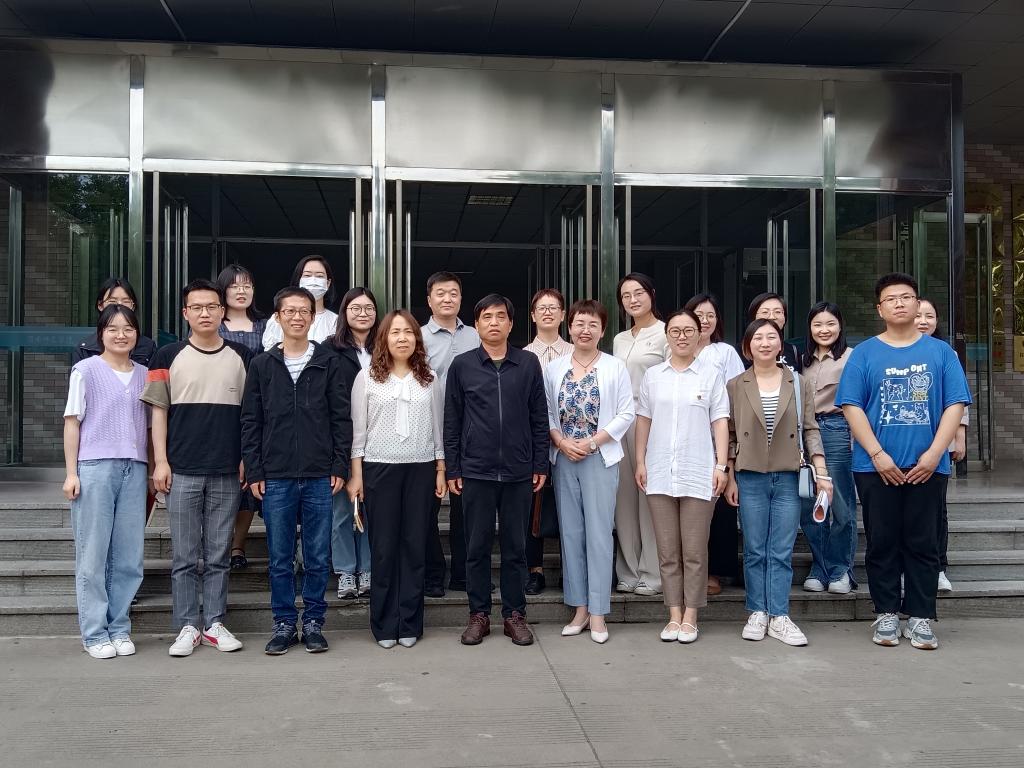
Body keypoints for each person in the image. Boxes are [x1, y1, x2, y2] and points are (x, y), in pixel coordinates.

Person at [837, 274, 970, 650]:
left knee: (923, 542)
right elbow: (851, 407)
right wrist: (877, 455)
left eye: (906, 297)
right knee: (882, 541)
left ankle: (921, 617)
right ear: (879, 309)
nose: (899, 303)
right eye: (891, 298)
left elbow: (955, 404)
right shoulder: (864, 354)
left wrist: (934, 453)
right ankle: (886, 613)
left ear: (917, 304)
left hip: (928, 466)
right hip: (874, 468)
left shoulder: (941, 353)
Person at [142, 279, 251, 657]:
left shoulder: (242, 356)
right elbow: (158, 413)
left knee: (219, 553)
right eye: (197, 307)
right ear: (185, 313)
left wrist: (246, 458)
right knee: (185, 556)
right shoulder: (166, 356)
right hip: (182, 469)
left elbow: (250, 416)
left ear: (223, 312)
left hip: (226, 470)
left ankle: (215, 622)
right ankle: (188, 625)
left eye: (212, 306)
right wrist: (160, 461)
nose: (205, 313)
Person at [241, 287, 351, 655]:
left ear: (312, 317)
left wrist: (339, 464)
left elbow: (341, 418)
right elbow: (251, 421)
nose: (297, 317)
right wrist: (255, 470)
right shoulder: (262, 364)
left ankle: (315, 621)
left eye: (304, 311)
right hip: (276, 475)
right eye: (289, 311)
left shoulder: (328, 362)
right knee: (280, 557)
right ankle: (285, 623)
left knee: (318, 556)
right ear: (278, 317)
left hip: (320, 474)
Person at [445, 294, 548, 647]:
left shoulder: (528, 363)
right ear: (476, 324)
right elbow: (452, 420)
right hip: (476, 471)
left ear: (511, 323)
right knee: (476, 547)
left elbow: (539, 417)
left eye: (500, 316)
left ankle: (514, 614)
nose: (493, 322)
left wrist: (539, 462)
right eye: (486, 316)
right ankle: (479, 615)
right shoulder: (462, 365)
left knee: (516, 548)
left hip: (519, 471)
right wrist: (454, 467)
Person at [726, 318, 830, 647]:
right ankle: (757, 611)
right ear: (748, 346)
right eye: (758, 337)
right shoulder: (735, 385)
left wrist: (822, 471)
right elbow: (730, 435)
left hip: (788, 474)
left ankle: (780, 615)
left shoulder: (798, 383)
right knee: (755, 549)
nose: (765, 343)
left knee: (781, 550)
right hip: (750, 475)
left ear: (780, 344)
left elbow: (810, 428)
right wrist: (729, 476)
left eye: (771, 337)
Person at [347, 311, 445, 649]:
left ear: (417, 338)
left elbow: (438, 427)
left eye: (408, 332)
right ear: (384, 339)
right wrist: (356, 476)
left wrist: (441, 468)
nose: (402, 338)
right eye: (395, 332)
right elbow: (358, 432)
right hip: (379, 468)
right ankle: (385, 624)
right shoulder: (367, 377)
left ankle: (410, 622)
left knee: (415, 546)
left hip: (421, 468)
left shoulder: (429, 378)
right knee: (384, 548)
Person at [636, 309, 730, 644]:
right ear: (667, 336)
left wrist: (721, 465)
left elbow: (720, 420)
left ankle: (691, 615)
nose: (681, 336)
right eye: (675, 330)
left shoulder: (710, 374)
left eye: (688, 330)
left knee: (694, 550)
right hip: (659, 470)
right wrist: (640, 461)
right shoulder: (654, 376)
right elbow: (644, 420)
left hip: (698, 471)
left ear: (698, 333)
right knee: (667, 551)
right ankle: (673, 614)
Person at [544, 300, 634, 644]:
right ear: (570, 327)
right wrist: (561, 442)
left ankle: (598, 612)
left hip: (599, 457)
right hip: (565, 457)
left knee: (598, 533)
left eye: (592, 324)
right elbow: (546, 412)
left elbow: (626, 413)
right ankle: (579, 608)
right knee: (571, 534)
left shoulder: (614, 367)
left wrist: (594, 442)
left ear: (602, 330)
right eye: (579, 323)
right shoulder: (554, 368)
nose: (585, 330)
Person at [63, 305, 149, 658]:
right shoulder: (85, 370)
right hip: (95, 467)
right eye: (112, 328)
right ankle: (94, 633)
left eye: (128, 328)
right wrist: (71, 472)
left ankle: (119, 627)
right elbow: (72, 422)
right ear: (101, 333)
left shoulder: (145, 374)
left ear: (137, 334)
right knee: (93, 554)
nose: (120, 335)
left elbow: (152, 426)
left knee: (128, 556)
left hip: (135, 468)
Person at [422, 271, 480, 597]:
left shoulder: (476, 335)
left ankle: (463, 574)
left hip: (468, 433)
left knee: (465, 508)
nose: (447, 298)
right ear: (429, 299)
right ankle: (433, 574)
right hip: (427, 430)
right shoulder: (416, 336)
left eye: (453, 293)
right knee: (426, 508)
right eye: (441, 293)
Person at [685, 292, 745, 596]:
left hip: (718, 437)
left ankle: (715, 571)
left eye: (710, 315)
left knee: (719, 506)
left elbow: (736, 397)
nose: (704, 321)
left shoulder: (725, 352)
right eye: (698, 315)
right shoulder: (676, 351)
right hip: (686, 438)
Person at [612, 272, 668, 597]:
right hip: (620, 424)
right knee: (623, 500)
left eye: (638, 293)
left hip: (651, 422)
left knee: (649, 498)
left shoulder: (665, 333)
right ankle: (628, 571)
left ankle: (652, 573)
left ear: (651, 294)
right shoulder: (619, 339)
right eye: (626, 295)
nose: (633, 300)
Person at [799, 302, 858, 595]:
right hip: (803, 432)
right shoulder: (802, 360)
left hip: (837, 429)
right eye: (818, 324)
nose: (824, 330)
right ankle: (820, 567)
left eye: (830, 323)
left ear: (840, 325)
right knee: (809, 504)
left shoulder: (852, 357)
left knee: (840, 504)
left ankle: (841, 569)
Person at [215, 264, 268, 572]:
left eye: (247, 285)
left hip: (258, 409)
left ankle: (238, 545)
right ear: (223, 291)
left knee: (249, 480)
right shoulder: (213, 324)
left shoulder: (266, 326)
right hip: (223, 409)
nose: (241, 291)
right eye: (235, 286)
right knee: (225, 479)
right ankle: (219, 544)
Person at [523, 288, 573, 595]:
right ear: (533, 315)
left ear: (563, 315)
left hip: (572, 441)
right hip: (532, 440)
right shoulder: (522, 355)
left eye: (554, 307)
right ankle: (535, 570)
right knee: (533, 504)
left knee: (571, 504)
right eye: (541, 308)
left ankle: (572, 568)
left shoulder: (577, 352)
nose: (547, 312)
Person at [329, 287, 378, 600]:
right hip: (341, 440)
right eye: (356, 308)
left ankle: (368, 568)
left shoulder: (384, 348)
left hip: (379, 440)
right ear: (345, 313)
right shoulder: (329, 350)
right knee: (342, 512)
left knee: (373, 511)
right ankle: (346, 571)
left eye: (369, 308)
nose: (363, 313)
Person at [916, 297, 967, 594]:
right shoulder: (892, 352)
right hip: (906, 444)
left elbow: (958, 399)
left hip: (940, 443)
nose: (923, 321)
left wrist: (959, 435)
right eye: (918, 315)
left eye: (929, 316)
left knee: (937, 510)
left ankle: (938, 568)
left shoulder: (946, 353)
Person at [261, 255, 340, 349]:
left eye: (319, 276)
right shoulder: (281, 317)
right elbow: (270, 351)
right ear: (299, 280)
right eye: (307, 275)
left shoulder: (336, 321)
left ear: (328, 283)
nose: (313, 280)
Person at [75, 278, 156, 367]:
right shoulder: (85, 348)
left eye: (126, 301)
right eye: (112, 301)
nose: (119, 305)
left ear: (133, 306)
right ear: (100, 305)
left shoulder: (148, 347)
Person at [745, 292, 803, 372]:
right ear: (753, 317)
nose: (772, 317)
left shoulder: (793, 351)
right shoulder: (737, 351)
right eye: (765, 312)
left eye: (777, 312)